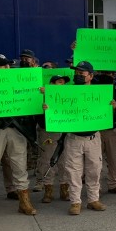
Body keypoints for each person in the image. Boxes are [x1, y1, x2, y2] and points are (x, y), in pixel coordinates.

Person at [0, 53, 37, 218]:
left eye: (7, 65)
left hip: (17, 129)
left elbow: (30, 98)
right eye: (2, 66)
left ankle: (24, 201)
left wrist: (39, 92)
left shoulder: (18, 79)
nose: (6, 68)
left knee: (19, 164)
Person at [58, 61, 114, 215]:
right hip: (74, 138)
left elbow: (110, 116)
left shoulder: (99, 94)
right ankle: (75, 202)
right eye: (76, 73)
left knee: (94, 170)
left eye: (81, 74)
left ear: (90, 76)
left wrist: (113, 107)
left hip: (93, 138)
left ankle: (93, 199)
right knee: (73, 171)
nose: (78, 76)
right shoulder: (66, 93)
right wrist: (48, 106)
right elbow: (57, 109)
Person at [36, 74, 70, 203]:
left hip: (65, 131)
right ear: (51, 84)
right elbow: (37, 116)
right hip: (48, 132)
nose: (62, 85)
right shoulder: (42, 96)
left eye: (63, 83)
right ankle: (48, 189)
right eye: (59, 82)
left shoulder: (68, 96)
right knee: (47, 160)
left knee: (65, 161)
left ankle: (64, 188)